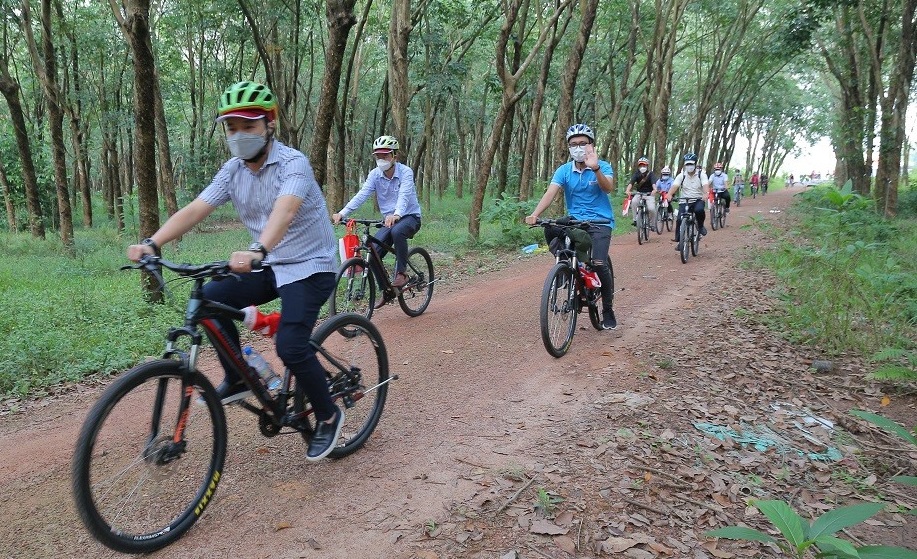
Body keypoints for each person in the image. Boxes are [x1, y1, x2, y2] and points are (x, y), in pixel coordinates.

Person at [127, 81, 343, 462]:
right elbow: (197, 208)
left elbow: (285, 211)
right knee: (211, 297)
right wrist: (153, 243)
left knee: (290, 345)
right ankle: (240, 375)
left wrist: (258, 248)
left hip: (310, 266)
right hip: (270, 264)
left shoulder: (294, 164)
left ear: (269, 123)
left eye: (249, 125)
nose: (239, 134)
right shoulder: (232, 171)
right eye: (232, 127)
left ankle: (328, 415)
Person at [524, 123, 617, 330]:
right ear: (569, 147)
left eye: (583, 143)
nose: (578, 147)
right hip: (575, 220)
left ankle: (608, 309)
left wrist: (595, 168)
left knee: (599, 263)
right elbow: (550, 193)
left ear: (591, 145)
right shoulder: (564, 170)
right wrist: (535, 214)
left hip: (600, 222)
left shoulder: (603, 166)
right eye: (574, 144)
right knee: (550, 227)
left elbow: (608, 188)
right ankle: (565, 267)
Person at [332, 135, 421, 308]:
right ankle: (386, 291)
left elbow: (404, 196)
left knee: (397, 231)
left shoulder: (405, 172)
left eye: (385, 155)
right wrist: (342, 213)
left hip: (409, 216)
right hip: (388, 220)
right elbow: (362, 195)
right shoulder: (374, 174)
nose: (381, 159)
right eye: (378, 156)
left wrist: (397, 214)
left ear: (394, 155)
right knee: (372, 253)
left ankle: (401, 273)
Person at [668, 152, 710, 248]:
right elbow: (675, 186)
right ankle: (679, 241)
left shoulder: (701, 174)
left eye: (691, 164)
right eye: (687, 164)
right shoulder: (681, 175)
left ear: (695, 164)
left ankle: (700, 226)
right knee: (679, 219)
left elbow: (705, 185)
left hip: (698, 199)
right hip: (684, 200)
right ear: (685, 165)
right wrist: (669, 194)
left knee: (699, 210)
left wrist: (706, 193)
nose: (689, 166)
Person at [624, 156, 657, 231]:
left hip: (649, 194)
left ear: (647, 166)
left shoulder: (651, 174)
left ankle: (652, 224)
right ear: (638, 166)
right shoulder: (637, 173)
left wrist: (654, 190)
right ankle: (635, 219)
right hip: (639, 193)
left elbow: (653, 183)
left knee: (651, 209)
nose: (642, 166)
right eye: (641, 165)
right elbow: (631, 183)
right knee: (634, 202)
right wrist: (628, 190)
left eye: (644, 165)